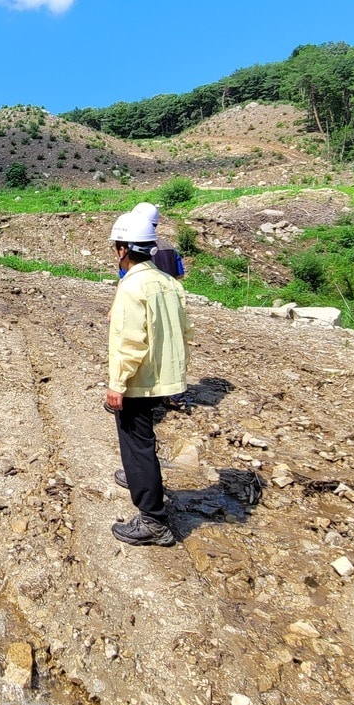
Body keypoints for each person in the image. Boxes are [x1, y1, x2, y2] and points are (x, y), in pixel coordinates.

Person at [105, 204, 194, 547]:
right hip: (165, 377)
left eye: (116, 246)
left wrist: (117, 385)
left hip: (139, 381)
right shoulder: (168, 283)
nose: (115, 252)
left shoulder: (131, 287)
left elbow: (129, 342)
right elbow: (185, 331)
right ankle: (140, 479)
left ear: (124, 249)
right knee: (143, 441)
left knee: (136, 445)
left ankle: (153, 520)